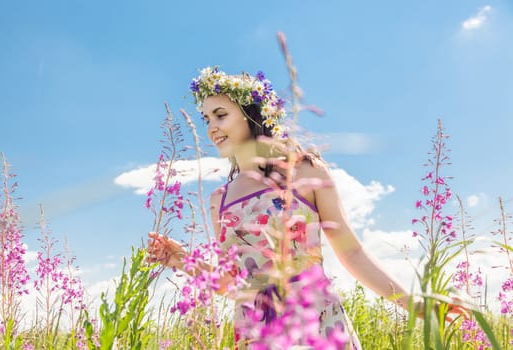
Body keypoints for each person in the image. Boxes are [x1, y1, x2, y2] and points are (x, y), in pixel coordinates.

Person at [147, 67, 462, 349]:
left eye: (220, 115)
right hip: (257, 331)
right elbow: (233, 281)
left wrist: (419, 305)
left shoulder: (305, 171)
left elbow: (351, 253)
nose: (211, 128)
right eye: (206, 119)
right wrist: (183, 261)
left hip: (317, 323)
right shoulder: (220, 199)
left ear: (251, 113)